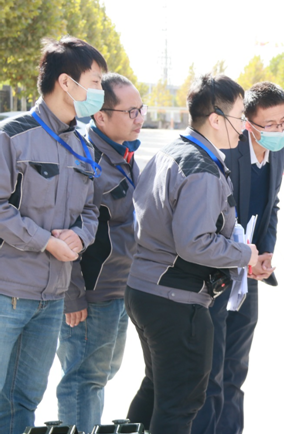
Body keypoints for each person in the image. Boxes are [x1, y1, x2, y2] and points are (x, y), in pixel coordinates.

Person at [125, 73, 258, 434]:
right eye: (240, 115)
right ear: (216, 119)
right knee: (180, 404)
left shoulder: (171, 152)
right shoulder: (200, 168)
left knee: (156, 391)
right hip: (175, 301)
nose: (244, 126)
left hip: (145, 290)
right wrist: (243, 254)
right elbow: (195, 243)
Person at [0, 36, 106, 434]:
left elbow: (93, 210)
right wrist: (46, 241)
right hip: (7, 293)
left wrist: (80, 237)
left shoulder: (82, 146)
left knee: (23, 400)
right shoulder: (13, 135)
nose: (100, 91)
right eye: (95, 82)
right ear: (67, 82)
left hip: (51, 299)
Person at [193, 82, 284, 434]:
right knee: (212, 370)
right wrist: (239, 254)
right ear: (247, 124)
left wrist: (265, 251)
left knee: (236, 368)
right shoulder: (227, 152)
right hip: (217, 270)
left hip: (249, 273)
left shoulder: (279, 150)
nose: (280, 131)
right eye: (271, 125)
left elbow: (271, 204)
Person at [56, 73, 145, 433]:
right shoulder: (87, 160)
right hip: (90, 297)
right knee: (83, 381)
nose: (139, 118)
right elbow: (68, 229)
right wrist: (73, 295)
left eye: (141, 110)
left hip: (118, 290)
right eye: (131, 112)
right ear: (101, 116)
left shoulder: (123, 155)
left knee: (101, 374)